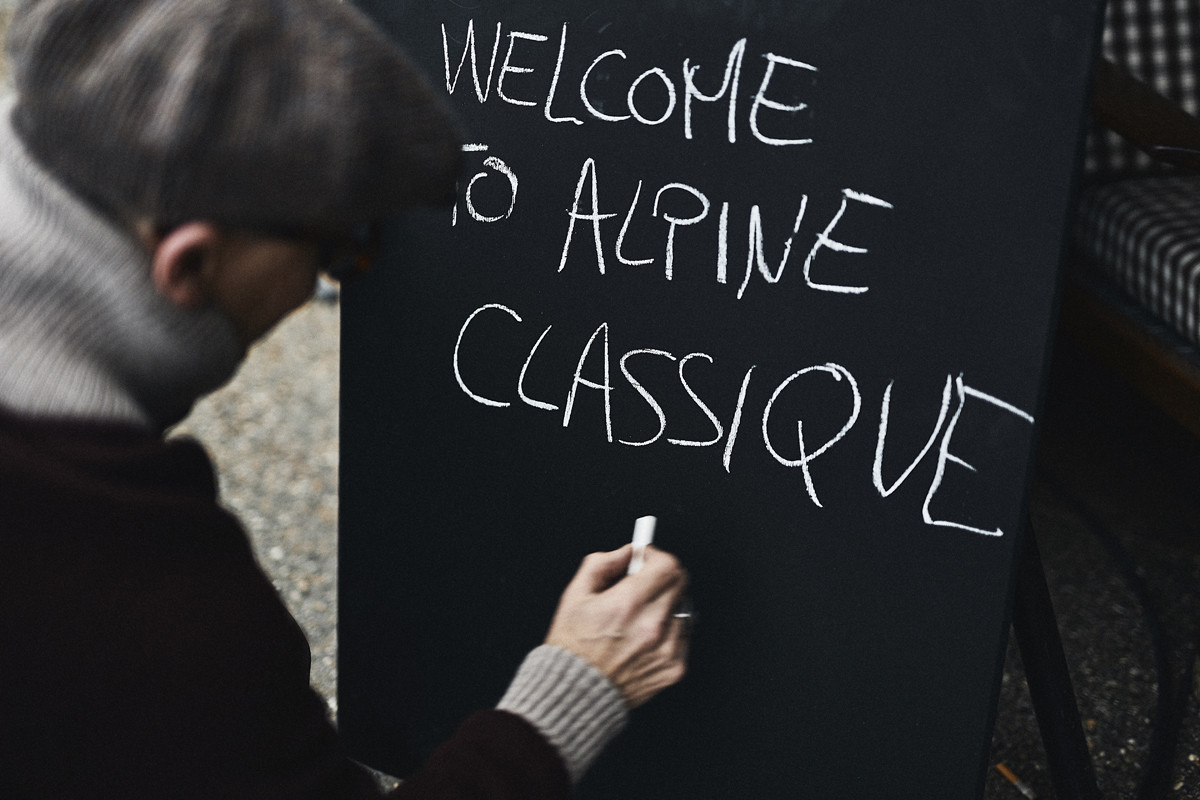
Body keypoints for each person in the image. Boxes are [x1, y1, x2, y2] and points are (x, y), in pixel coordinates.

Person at [0, 1, 690, 797]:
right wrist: (576, 689)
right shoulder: (149, 594)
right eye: (340, 249)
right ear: (187, 265)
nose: (323, 287)